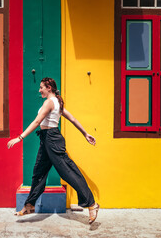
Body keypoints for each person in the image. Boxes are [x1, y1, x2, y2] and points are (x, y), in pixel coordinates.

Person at [7, 77, 99, 225]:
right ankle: (30, 204)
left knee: (68, 172)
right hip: (46, 140)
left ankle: (92, 204)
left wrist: (20, 137)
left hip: (52, 140)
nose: (39, 90)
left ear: (49, 87)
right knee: (39, 172)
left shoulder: (50, 102)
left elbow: (37, 121)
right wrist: (85, 133)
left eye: (41, 87)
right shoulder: (57, 101)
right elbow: (73, 119)